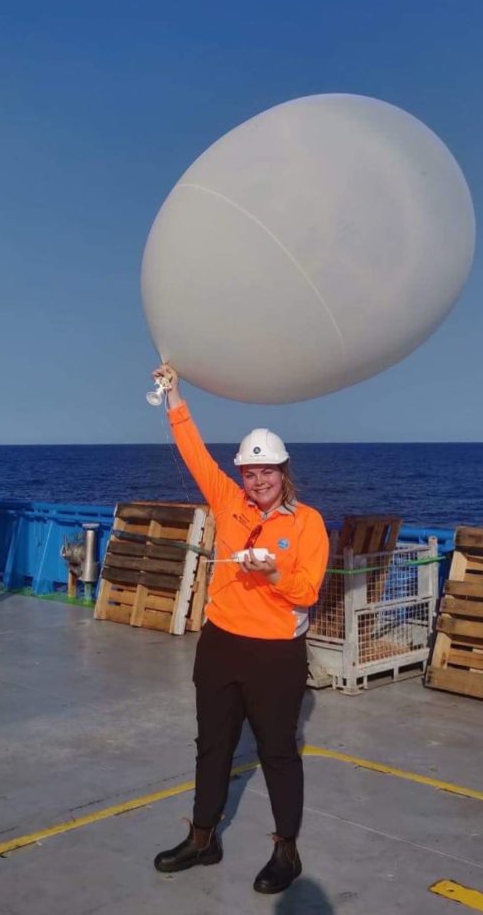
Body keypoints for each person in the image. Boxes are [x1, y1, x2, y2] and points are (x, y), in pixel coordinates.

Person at [151, 364, 329, 895]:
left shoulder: (307, 523)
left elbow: (308, 592)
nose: (258, 481)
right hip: (222, 645)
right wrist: (174, 398)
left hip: (276, 654)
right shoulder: (228, 502)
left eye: (267, 471)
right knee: (213, 745)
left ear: (284, 470)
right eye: (250, 473)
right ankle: (203, 839)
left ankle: (287, 852)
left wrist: (273, 573)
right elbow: (193, 453)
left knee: (277, 751)